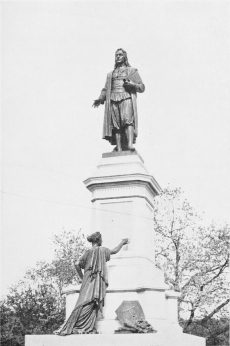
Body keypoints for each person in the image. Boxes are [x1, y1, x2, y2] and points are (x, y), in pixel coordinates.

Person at [54, 232, 129, 335]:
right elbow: (115, 251)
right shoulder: (102, 250)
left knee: (84, 301)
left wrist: (82, 277)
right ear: (97, 240)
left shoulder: (87, 252)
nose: (102, 241)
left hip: (87, 279)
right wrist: (123, 242)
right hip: (96, 280)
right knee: (91, 301)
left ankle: (80, 326)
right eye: (101, 239)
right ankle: (81, 327)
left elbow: (77, 264)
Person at [93, 49, 145, 152]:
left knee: (127, 121)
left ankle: (130, 145)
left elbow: (142, 87)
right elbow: (106, 88)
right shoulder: (110, 74)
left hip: (126, 97)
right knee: (116, 125)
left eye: (120, 55)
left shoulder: (131, 71)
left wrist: (132, 85)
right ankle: (119, 148)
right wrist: (100, 98)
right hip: (113, 98)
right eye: (116, 55)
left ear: (125, 57)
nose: (118, 57)